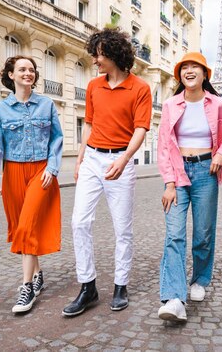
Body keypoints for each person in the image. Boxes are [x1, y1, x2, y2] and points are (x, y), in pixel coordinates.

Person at [62, 28, 152, 317]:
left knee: (122, 228)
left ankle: (120, 285)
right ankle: (88, 286)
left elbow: (140, 130)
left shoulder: (140, 88)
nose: (95, 59)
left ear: (114, 54)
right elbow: (87, 125)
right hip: (92, 160)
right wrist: (79, 160)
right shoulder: (93, 86)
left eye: (99, 54)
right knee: (78, 223)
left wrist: (124, 160)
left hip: (120, 162)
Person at [156, 52, 222, 322]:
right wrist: (169, 183)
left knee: (203, 233)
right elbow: (165, 146)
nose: (189, 71)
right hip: (178, 174)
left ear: (205, 74)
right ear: (180, 75)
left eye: (195, 67)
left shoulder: (218, 104)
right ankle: (175, 297)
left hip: (206, 171)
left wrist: (219, 153)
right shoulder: (170, 105)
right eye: (184, 68)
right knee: (174, 235)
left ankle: (200, 280)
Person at [0, 55, 64, 314]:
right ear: (11, 75)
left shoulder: (46, 105)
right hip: (13, 172)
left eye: (31, 70)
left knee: (28, 225)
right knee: (20, 227)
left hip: (41, 172)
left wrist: (52, 167)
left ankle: (26, 287)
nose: (28, 73)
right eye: (22, 70)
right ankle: (38, 274)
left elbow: (57, 139)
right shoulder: (0, 109)